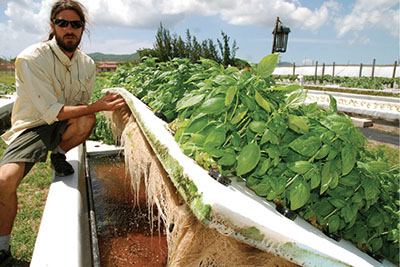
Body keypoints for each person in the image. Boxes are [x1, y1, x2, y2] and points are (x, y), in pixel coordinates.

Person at [0, 0, 125, 263]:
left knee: (86, 118)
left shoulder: (87, 64)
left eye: (76, 24)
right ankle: (2, 248)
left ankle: (58, 153)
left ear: (83, 28)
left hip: (63, 123)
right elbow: (51, 112)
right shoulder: (32, 58)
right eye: (63, 23)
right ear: (52, 25)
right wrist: (96, 106)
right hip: (33, 126)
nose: (69, 29)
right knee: (4, 181)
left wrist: (102, 107)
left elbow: (81, 108)